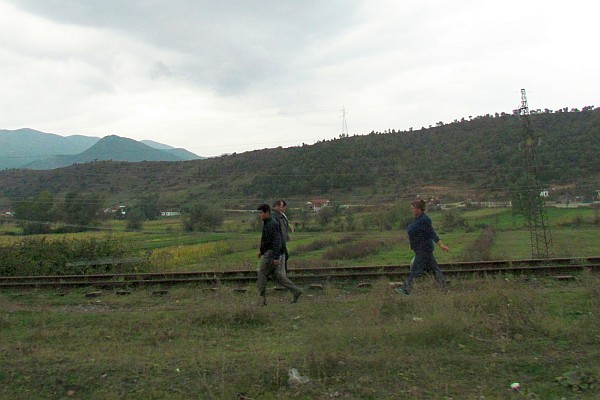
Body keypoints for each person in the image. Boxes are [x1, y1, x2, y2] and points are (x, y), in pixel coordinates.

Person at [396, 199, 449, 295]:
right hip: (423, 249)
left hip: (423, 249)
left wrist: (441, 245)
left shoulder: (424, 220)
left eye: (413, 208)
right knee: (434, 270)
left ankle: (405, 289)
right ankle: (445, 289)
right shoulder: (418, 219)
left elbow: (431, 233)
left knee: (416, 270)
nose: (412, 210)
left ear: (419, 209)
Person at [256, 203, 302, 305]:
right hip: (271, 253)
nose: (259, 215)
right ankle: (296, 290)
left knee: (262, 273)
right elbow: (266, 240)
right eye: (259, 213)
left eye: (261, 213)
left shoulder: (271, 224)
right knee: (277, 276)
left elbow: (277, 241)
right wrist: (261, 251)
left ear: (267, 213)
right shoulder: (267, 223)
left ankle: (261, 299)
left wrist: (276, 257)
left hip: (271, 254)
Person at [272, 199, 291, 273]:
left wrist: (286, 236)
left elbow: (284, 228)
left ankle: (282, 276)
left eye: (283, 207)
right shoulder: (275, 216)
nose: (282, 209)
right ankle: (281, 277)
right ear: (276, 206)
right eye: (281, 207)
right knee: (281, 258)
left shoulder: (281, 215)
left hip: (281, 241)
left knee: (284, 257)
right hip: (278, 242)